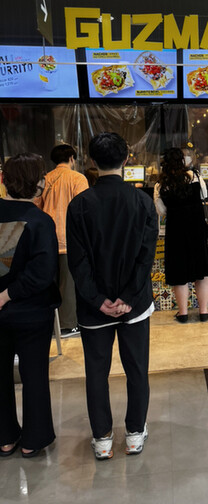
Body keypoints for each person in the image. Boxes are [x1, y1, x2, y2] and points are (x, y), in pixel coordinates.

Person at [66, 133, 157, 461]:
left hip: (94, 309)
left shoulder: (79, 205)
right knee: (137, 369)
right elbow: (146, 258)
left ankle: (102, 438)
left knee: (96, 373)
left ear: (92, 162)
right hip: (135, 305)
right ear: (127, 159)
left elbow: (77, 261)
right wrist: (129, 298)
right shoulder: (143, 202)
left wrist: (97, 299)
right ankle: (134, 433)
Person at [0, 153, 60, 458]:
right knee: (34, 375)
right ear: (38, 183)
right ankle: (33, 440)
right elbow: (42, 273)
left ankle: (5, 439)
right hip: (32, 312)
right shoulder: (40, 221)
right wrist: (8, 294)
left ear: (4, 180)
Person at [154, 147, 208, 323]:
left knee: (179, 272)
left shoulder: (160, 185)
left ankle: (183, 313)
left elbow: (161, 211)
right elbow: (204, 195)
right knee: (201, 271)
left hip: (176, 232)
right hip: (197, 230)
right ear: (183, 161)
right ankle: (203, 312)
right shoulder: (196, 177)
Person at [37, 144, 88, 338]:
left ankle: (50, 324)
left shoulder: (45, 179)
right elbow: (83, 208)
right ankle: (68, 326)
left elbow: (37, 207)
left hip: (47, 238)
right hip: (69, 238)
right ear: (72, 158)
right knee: (68, 285)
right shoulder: (78, 178)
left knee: (49, 284)